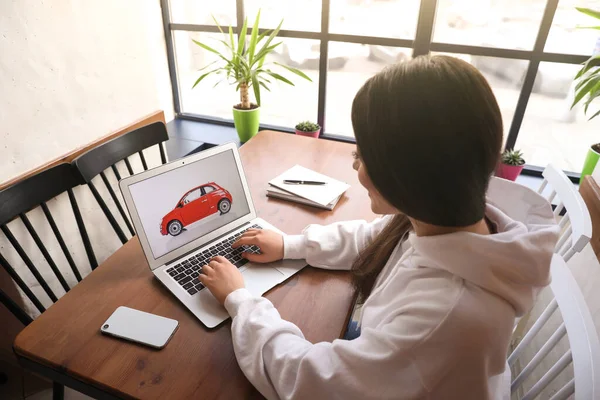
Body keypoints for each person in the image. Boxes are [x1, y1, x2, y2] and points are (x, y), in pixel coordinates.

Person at [198, 55, 559, 400]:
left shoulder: (445, 319)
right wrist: (289, 245)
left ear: (405, 173)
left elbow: (307, 381)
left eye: (363, 155)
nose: (357, 168)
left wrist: (240, 300)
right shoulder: (451, 219)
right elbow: (372, 238)